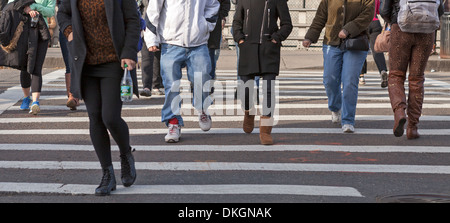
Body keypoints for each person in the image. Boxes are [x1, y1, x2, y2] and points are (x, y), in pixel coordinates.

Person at [58, 0, 140, 196]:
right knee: (95, 116)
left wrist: (129, 52)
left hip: (113, 61)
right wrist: (69, 31)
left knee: (110, 117)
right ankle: (107, 174)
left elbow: (132, 20)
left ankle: (126, 154)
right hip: (86, 63)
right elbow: (62, 13)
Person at [144, 0, 220, 143]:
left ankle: (202, 108)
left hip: (198, 43)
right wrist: (151, 39)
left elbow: (213, 5)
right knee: (171, 85)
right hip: (170, 42)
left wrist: (205, 25)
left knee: (203, 79)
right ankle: (173, 122)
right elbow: (153, 10)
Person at [303, 0, 374, 133]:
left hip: (356, 42)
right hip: (331, 42)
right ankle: (335, 108)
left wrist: (348, 29)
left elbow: (368, 14)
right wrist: (310, 37)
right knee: (329, 80)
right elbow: (320, 17)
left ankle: (348, 120)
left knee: (349, 81)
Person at [380, 0, 444, 139]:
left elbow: (384, 9)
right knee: (417, 79)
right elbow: (441, 10)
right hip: (426, 32)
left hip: (400, 29)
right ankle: (412, 128)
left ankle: (399, 112)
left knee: (396, 75)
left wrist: (392, 21)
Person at [233, 0, 293, 145]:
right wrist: (240, 39)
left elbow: (287, 24)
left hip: (269, 50)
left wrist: (276, 39)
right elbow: (236, 23)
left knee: (268, 90)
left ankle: (265, 130)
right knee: (245, 89)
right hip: (248, 48)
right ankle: (248, 111)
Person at [7, 0, 55, 115]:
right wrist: (25, 7)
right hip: (22, 31)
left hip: (41, 32)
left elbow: (51, 11)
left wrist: (35, 7)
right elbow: (10, 4)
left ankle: (35, 102)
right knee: (24, 66)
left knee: (37, 67)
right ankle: (26, 97)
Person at [358, 0, 388, 88]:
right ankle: (382, 70)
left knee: (361, 49)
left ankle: (361, 76)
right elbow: (380, 10)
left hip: (362, 22)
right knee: (376, 49)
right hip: (375, 22)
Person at [56, 0, 79, 110]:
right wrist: (69, 31)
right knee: (70, 63)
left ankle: (77, 94)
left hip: (85, 28)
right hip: (66, 28)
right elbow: (62, 12)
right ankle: (72, 96)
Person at [208, 0, 230, 93]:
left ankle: (209, 86)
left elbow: (226, 4)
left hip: (213, 26)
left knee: (211, 57)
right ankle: (196, 84)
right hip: (196, 30)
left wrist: (220, 16)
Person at [137, 0, 154, 97]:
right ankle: (146, 86)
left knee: (150, 57)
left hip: (151, 26)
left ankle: (150, 85)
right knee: (146, 57)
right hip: (139, 26)